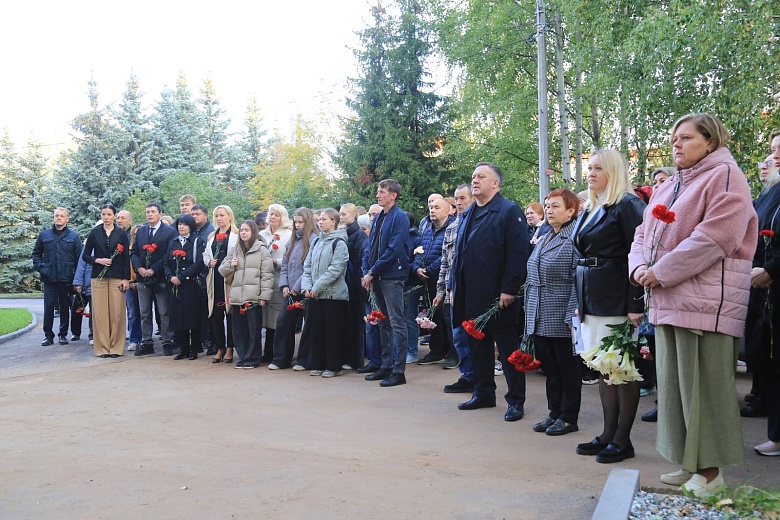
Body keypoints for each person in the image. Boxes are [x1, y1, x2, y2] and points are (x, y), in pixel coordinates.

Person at [629, 113, 757, 496]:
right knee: (676, 388)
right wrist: (639, 266)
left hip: (705, 303)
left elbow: (715, 238)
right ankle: (691, 463)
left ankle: (713, 475)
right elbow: (642, 230)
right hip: (669, 298)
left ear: (711, 142)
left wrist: (660, 271)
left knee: (705, 387)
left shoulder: (727, 177)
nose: (677, 144)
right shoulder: (672, 185)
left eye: (686, 138)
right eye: (674, 139)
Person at [572, 149, 645, 463]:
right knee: (605, 368)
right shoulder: (592, 205)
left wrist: (635, 303)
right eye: (589, 168)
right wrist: (580, 301)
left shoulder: (628, 205)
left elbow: (640, 253)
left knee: (621, 370)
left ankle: (623, 440)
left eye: (598, 168)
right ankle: (607, 434)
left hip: (617, 298)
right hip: (593, 298)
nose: (591, 173)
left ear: (613, 171)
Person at [452, 162, 528, 422]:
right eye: (473, 176)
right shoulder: (468, 212)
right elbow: (459, 255)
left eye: (481, 177)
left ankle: (516, 400)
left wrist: (509, 288)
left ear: (495, 183)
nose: (475, 180)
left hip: (498, 296)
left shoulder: (509, 211)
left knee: (508, 350)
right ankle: (483, 392)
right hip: (472, 293)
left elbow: (518, 254)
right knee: (478, 347)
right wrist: (454, 287)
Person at [526, 189, 581, 436]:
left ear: (571, 211)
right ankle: (554, 412)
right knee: (551, 369)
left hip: (561, 313)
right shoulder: (547, 235)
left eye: (555, 206)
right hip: (540, 311)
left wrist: (571, 315)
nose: (548, 210)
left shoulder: (575, 238)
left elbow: (577, 280)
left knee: (567, 369)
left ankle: (569, 417)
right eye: (547, 206)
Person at [741, 132, 780, 452]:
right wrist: (757, 270)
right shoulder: (769, 193)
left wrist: (772, 269)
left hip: (771, 280)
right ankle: (776, 434)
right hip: (764, 292)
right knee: (769, 362)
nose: (772, 157)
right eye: (771, 150)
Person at [361, 179, 411, 387]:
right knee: (383, 321)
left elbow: (394, 249)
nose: (378, 195)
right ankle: (385, 366)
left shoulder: (399, 218)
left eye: (382, 192)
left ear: (393, 195)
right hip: (378, 276)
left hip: (392, 276)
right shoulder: (380, 217)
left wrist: (373, 271)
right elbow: (370, 247)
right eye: (378, 191)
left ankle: (398, 371)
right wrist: (366, 270)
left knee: (396, 322)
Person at [435, 184, 475, 391]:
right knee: (458, 336)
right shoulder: (451, 228)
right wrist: (440, 291)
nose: (458, 203)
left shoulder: (478, 224)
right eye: (456, 199)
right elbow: (445, 262)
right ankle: (467, 375)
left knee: (474, 337)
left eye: (463, 199)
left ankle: (479, 377)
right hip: (453, 291)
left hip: (474, 292)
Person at [302, 209, 350, 377]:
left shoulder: (339, 243)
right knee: (317, 331)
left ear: (334, 222)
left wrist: (316, 288)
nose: (320, 222)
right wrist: (306, 287)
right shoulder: (316, 242)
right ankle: (318, 363)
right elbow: (307, 266)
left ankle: (333, 366)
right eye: (319, 219)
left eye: (324, 219)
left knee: (332, 333)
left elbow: (336, 269)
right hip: (315, 296)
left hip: (333, 296)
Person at [219, 220, 274, 369]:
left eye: (247, 230)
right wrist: (231, 265)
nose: (243, 233)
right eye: (242, 230)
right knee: (238, 330)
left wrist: (264, 296)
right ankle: (242, 357)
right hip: (237, 297)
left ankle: (253, 358)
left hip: (254, 297)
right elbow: (222, 270)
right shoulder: (234, 249)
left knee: (253, 330)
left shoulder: (262, 250)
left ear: (253, 232)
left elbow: (267, 275)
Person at [270, 207, 318, 370]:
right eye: (295, 222)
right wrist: (284, 285)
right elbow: (285, 265)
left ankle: (304, 360)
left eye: (300, 222)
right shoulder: (292, 240)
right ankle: (281, 359)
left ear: (308, 222)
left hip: (305, 290)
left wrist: (296, 287)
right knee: (283, 322)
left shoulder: (313, 240)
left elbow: (308, 268)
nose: (297, 225)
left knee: (308, 325)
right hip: (290, 290)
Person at [82, 204, 131, 358]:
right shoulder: (95, 232)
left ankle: (116, 347)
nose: (106, 217)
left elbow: (125, 258)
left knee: (117, 313)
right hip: (99, 277)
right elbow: (85, 255)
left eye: (109, 214)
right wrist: (98, 260)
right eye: (103, 214)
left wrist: (125, 279)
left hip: (117, 277)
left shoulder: (121, 233)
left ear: (114, 216)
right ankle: (103, 348)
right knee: (100, 314)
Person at [130, 203, 177, 356]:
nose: (150, 214)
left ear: (159, 213)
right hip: (143, 278)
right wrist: (140, 268)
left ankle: (167, 341)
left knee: (164, 311)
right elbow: (134, 252)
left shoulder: (169, 232)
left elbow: (168, 254)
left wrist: (153, 269)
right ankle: (146, 341)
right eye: (147, 212)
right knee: (144, 312)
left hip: (161, 277)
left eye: (153, 212)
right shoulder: (141, 231)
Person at [32, 208, 82, 346]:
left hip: (66, 279)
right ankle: (48, 335)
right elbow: (36, 254)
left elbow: (79, 260)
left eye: (61, 216)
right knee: (48, 307)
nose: (58, 218)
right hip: (49, 278)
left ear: (67, 219)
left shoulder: (74, 237)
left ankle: (63, 335)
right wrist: (42, 268)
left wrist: (77, 279)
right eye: (56, 216)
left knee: (65, 307)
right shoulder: (44, 235)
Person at [414, 198, 455, 365]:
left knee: (447, 318)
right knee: (433, 317)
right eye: (430, 207)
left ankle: (453, 353)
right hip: (427, 280)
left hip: (444, 279)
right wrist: (417, 267)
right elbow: (420, 250)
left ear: (447, 211)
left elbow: (446, 256)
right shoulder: (427, 228)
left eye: (437, 207)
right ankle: (436, 350)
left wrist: (429, 269)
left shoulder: (452, 228)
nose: (432, 210)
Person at [164, 214, 206, 360]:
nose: (181, 227)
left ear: (190, 226)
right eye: (179, 224)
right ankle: (183, 348)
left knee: (192, 317)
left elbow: (199, 263)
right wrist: (171, 277)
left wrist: (182, 276)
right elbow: (167, 262)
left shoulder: (196, 241)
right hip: (175, 285)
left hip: (191, 283)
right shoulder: (173, 242)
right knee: (179, 317)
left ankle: (194, 348)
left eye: (184, 224)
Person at [204, 205, 239, 363]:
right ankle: (220, 346)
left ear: (229, 217)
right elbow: (205, 253)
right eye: (217, 216)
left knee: (230, 314)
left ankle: (231, 347)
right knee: (215, 315)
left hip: (230, 279)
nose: (219, 218)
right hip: (214, 279)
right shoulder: (212, 235)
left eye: (222, 215)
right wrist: (208, 261)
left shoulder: (237, 234)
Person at [259, 204, 293, 362]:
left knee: (278, 319)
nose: (272, 217)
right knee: (265, 318)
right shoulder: (261, 235)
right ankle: (267, 352)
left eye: (276, 215)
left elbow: (290, 258)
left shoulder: (288, 235)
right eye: (271, 214)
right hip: (264, 281)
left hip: (280, 279)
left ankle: (280, 354)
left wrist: (275, 262)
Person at [339, 203, 367, 370]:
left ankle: (354, 359)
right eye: (340, 214)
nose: (341, 217)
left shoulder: (358, 235)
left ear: (353, 216)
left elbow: (357, 261)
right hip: (344, 282)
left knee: (355, 322)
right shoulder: (343, 233)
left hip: (353, 284)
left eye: (344, 214)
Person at [118, 212, 142, 351]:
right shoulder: (126, 244)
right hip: (129, 283)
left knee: (146, 313)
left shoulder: (143, 248)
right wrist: (129, 280)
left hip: (144, 282)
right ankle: (134, 339)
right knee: (133, 313)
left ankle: (146, 339)